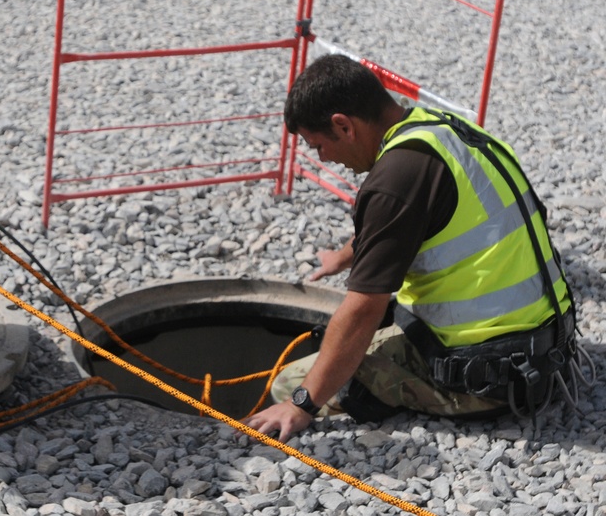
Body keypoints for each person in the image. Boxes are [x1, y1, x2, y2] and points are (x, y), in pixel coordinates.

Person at [243, 54, 581, 441]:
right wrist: (343, 256)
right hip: (546, 351)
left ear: (343, 125)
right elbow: (410, 219)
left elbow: (362, 310)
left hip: (488, 380)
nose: (324, 160)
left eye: (319, 146)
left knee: (291, 382)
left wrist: (301, 404)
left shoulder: (395, 178)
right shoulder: (441, 130)